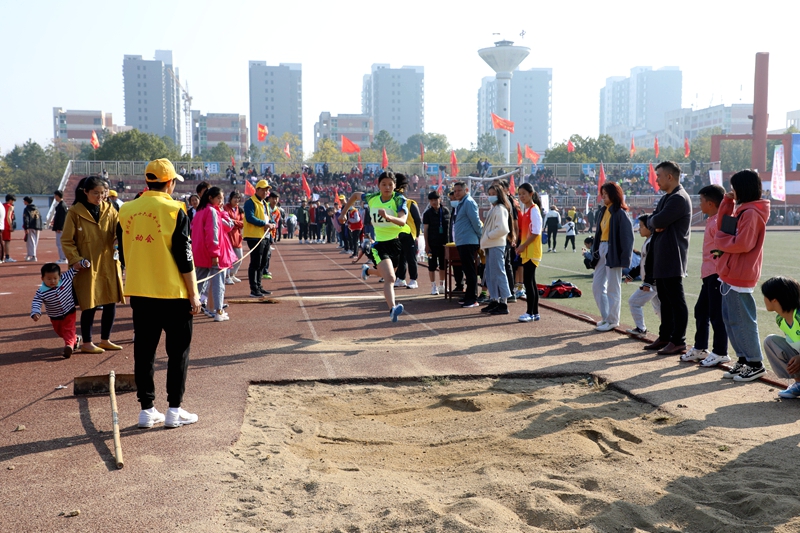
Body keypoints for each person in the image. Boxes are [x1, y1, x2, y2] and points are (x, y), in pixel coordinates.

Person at [118, 158, 200, 429]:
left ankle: (147, 410)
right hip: (173, 294)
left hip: (141, 293)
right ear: (170, 183)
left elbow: (124, 250)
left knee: (144, 352)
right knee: (178, 353)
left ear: (147, 181)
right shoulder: (176, 210)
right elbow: (185, 257)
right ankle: (174, 411)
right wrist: (194, 294)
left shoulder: (126, 210)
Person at [712, 169, 770, 382]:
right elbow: (723, 227)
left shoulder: (751, 213)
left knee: (743, 320)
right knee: (731, 320)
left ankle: (755, 362)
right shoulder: (743, 210)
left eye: (734, 186)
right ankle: (744, 359)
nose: (731, 191)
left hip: (740, 272)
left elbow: (743, 243)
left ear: (742, 188)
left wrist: (720, 241)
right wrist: (727, 204)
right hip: (731, 272)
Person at [61, 176, 124, 354]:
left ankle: (105, 339)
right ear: (85, 192)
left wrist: (118, 241)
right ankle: (87, 342)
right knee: (90, 303)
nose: (100, 197)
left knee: (111, 301)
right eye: (95, 193)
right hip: (86, 265)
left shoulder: (110, 209)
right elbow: (67, 240)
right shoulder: (74, 212)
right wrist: (75, 259)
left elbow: (117, 231)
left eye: (103, 193)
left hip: (108, 262)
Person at [340, 171, 409, 322]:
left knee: (388, 274)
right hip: (380, 245)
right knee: (390, 278)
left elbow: (403, 221)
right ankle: (392, 309)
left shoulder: (399, 199)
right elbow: (356, 195)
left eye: (390, 184)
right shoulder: (372, 198)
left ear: (395, 186)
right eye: (383, 184)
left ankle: (368, 270)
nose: (387, 187)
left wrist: (388, 217)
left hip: (396, 244)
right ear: (378, 185)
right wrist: (343, 213)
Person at [644, 161, 692, 355]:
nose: (656, 180)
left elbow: (657, 220)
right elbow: (651, 221)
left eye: (659, 176)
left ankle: (678, 340)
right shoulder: (667, 198)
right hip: (662, 256)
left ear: (669, 177)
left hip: (673, 256)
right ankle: (665, 336)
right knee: (664, 299)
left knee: (675, 300)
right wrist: (655, 222)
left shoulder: (679, 198)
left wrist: (655, 222)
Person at [680, 184, 730, 366]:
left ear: (710, 203)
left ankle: (721, 351)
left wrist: (719, 270)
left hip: (716, 274)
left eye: (701, 201)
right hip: (708, 273)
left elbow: (724, 248)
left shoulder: (718, 222)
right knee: (701, 310)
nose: (699, 204)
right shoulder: (712, 220)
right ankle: (701, 348)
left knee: (716, 314)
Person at [591, 182, 634, 332]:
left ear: (614, 195)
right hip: (602, 248)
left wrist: (625, 259)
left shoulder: (620, 213)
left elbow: (628, 237)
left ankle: (613, 320)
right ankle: (606, 318)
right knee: (597, 285)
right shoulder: (603, 211)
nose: (603, 197)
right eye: (602, 194)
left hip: (613, 249)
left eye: (606, 194)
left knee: (613, 287)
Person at [192, 187, 235, 322]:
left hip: (200, 251)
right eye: (219, 199)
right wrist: (215, 253)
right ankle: (218, 311)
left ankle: (190, 307)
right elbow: (213, 233)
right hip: (213, 252)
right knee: (218, 283)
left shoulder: (200, 211)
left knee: (198, 283)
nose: (221, 202)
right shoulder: (212, 211)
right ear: (211, 198)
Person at [30, 262, 83, 358]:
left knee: (68, 329)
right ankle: (75, 339)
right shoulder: (41, 292)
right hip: (55, 316)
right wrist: (36, 312)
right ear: (42, 279)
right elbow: (36, 302)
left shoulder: (65, 279)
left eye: (55, 278)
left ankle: (69, 346)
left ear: (60, 276)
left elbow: (74, 269)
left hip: (69, 311)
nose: (52, 281)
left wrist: (84, 263)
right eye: (49, 279)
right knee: (60, 332)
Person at [762, 276, 800, 398]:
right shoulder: (780, 319)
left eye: (765, 295)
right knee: (771, 341)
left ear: (775, 300)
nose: (764, 299)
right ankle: (799, 384)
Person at [478, 183, 512, 315]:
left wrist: (488, 236)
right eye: (490, 194)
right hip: (491, 244)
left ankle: (503, 302)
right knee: (491, 274)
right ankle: (494, 300)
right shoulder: (495, 208)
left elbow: (503, 229)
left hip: (496, 244)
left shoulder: (500, 209)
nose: (491, 197)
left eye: (493, 194)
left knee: (498, 273)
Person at [624, 214, 660, 337]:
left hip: (653, 282)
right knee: (659, 309)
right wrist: (632, 274)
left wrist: (648, 282)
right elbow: (643, 263)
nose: (639, 229)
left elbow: (653, 264)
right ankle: (669, 334)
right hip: (653, 282)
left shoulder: (652, 242)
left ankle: (641, 329)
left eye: (641, 226)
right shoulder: (648, 241)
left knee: (634, 302)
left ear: (649, 227)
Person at [514, 183, 544, 322]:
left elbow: (536, 233)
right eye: (519, 194)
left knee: (528, 281)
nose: (521, 196)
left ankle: (530, 312)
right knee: (530, 281)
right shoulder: (526, 210)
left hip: (532, 251)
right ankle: (535, 312)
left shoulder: (533, 210)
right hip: (527, 251)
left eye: (524, 193)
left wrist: (522, 246)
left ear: (531, 194)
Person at [452, 181, 483, 308]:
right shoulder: (462, 203)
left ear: (466, 190)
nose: (456, 193)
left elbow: (476, 221)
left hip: (469, 241)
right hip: (463, 241)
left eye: (459, 190)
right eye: (455, 191)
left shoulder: (469, 202)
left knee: (470, 270)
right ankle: (469, 295)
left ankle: (473, 298)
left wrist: (481, 237)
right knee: (467, 269)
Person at [243, 180, 275, 298]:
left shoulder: (265, 203)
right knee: (255, 263)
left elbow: (268, 218)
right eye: (264, 189)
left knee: (263, 262)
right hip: (254, 236)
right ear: (257, 190)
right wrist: (264, 224)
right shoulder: (250, 202)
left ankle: (259, 286)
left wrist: (271, 224)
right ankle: (254, 288)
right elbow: (250, 217)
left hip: (265, 235)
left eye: (267, 190)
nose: (266, 192)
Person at [393, 174, 422, 289]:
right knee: (400, 258)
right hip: (398, 235)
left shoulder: (410, 203)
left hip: (410, 234)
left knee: (411, 258)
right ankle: (401, 278)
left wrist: (418, 235)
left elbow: (418, 219)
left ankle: (414, 280)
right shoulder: (393, 206)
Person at [422, 190, 450, 295]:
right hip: (432, 244)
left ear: (440, 199)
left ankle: (442, 285)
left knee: (443, 265)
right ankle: (433, 286)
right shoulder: (427, 214)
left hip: (444, 244)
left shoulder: (446, 211)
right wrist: (427, 244)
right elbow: (426, 230)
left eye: (435, 200)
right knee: (432, 265)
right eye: (431, 200)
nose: (434, 202)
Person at [223, 191, 245, 285]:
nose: (237, 200)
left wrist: (233, 222)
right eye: (235, 198)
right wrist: (236, 222)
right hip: (227, 235)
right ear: (230, 198)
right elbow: (226, 221)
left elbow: (243, 223)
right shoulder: (225, 208)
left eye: (238, 198)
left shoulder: (239, 210)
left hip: (237, 236)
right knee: (228, 258)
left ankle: (232, 274)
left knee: (239, 257)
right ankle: (227, 277)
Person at [22, 196, 44, 261]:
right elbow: (40, 217)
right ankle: (29, 254)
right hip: (37, 226)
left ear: (26, 201)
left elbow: (26, 219)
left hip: (31, 226)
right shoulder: (36, 208)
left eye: (24, 201)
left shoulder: (27, 209)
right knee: (35, 241)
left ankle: (33, 256)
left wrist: (26, 227)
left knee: (31, 241)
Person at [51, 190, 68, 263]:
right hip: (61, 227)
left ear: (58, 196)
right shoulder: (61, 205)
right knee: (59, 243)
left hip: (61, 228)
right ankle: (62, 258)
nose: (54, 197)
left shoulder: (62, 205)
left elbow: (62, 218)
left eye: (55, 196)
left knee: (60, 243)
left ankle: (63, 258)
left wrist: (59, 227)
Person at [2, 194, 15, 262]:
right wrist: (11, 226)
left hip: (1, 225)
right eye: (13, 200)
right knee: (7, 242)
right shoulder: (10, 207)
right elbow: (8, 217)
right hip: (6, 225)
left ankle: (1, 256)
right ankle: (7, 257)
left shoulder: (2, 205)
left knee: (1, 242)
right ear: (10, 200)